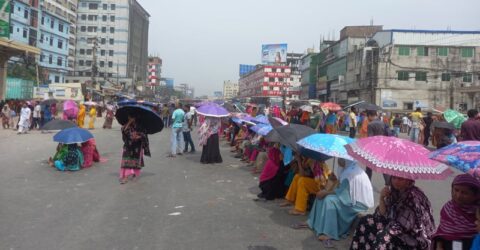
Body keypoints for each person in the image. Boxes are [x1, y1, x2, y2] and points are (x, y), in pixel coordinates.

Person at [350, 176, 436, 250]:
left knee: (383, 237)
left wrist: (384, 230)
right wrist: (381, 198)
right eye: (394, 178)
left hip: (414, 239)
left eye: (400, 179)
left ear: (408, 180)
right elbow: (381, 215)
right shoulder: (395, 191)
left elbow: (402, 226)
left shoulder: (413, 197)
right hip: (396, 228)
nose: (396, 181)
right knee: (366, 221)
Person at [307, 159, 374, 247]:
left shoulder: (351, 172)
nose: (339, 160)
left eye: (341, 158)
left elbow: (343, 194)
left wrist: (326, 192)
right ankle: (313, 222)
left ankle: (329, 233)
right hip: (348, 197)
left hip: (358, 203)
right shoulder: (345, 169)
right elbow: (339, 188)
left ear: (348, 159)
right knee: (321, 196)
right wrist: (331, 183)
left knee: (329, 200)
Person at [432, 174, 480, 250]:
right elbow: (441, 231)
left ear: (476, 195)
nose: (458, 195)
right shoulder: (448, 209)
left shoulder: (478, 213)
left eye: (464, 193)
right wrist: (439, 246)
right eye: (456, 190)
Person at [120, 114, 150, 184]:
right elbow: (124, 130)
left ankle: (134, 174)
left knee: (135, 161)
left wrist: (139, 137)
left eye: (131, 117)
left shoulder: (140, 125)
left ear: (135, 117)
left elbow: (144, 134)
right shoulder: (126, 124)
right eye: (129, 117)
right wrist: (129, 122)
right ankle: (125, 177)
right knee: (126, 161)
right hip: (128, 146)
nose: (130, 118)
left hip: (137, 146)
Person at [365, 110, 391, 184]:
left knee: (369, 167)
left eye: (368, 116)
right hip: (383, 147)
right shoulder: (383, 123)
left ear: (370, 115)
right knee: (383, 167)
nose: (367, 118)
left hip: (373, 148)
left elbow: (370, 139)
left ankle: (367, 183)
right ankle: (388, 183)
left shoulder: (370, 124)